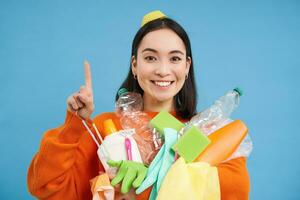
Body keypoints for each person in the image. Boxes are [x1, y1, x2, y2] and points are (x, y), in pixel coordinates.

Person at [27, 10, 250, 200]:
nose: (163, 70)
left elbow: (236, 191)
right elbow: (46, 187)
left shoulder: (208, 132)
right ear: (135, 65)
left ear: (186, 67)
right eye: (151, 58)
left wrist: (144, 183)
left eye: (174, 58)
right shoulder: (106, 127)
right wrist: (76, 122)